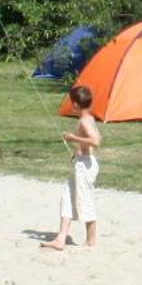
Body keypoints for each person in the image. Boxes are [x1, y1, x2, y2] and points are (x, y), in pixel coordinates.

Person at [45, 84, 101, 250]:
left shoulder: (84, 121)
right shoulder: (87, 118)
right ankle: (60, 239)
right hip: (82, 161)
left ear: (76, 104)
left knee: (85, 200)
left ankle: (91, 241)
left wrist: (72, 137)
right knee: (67, 198)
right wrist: (78, 149)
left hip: (86, 166)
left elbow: (95, 141)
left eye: (72, 102)